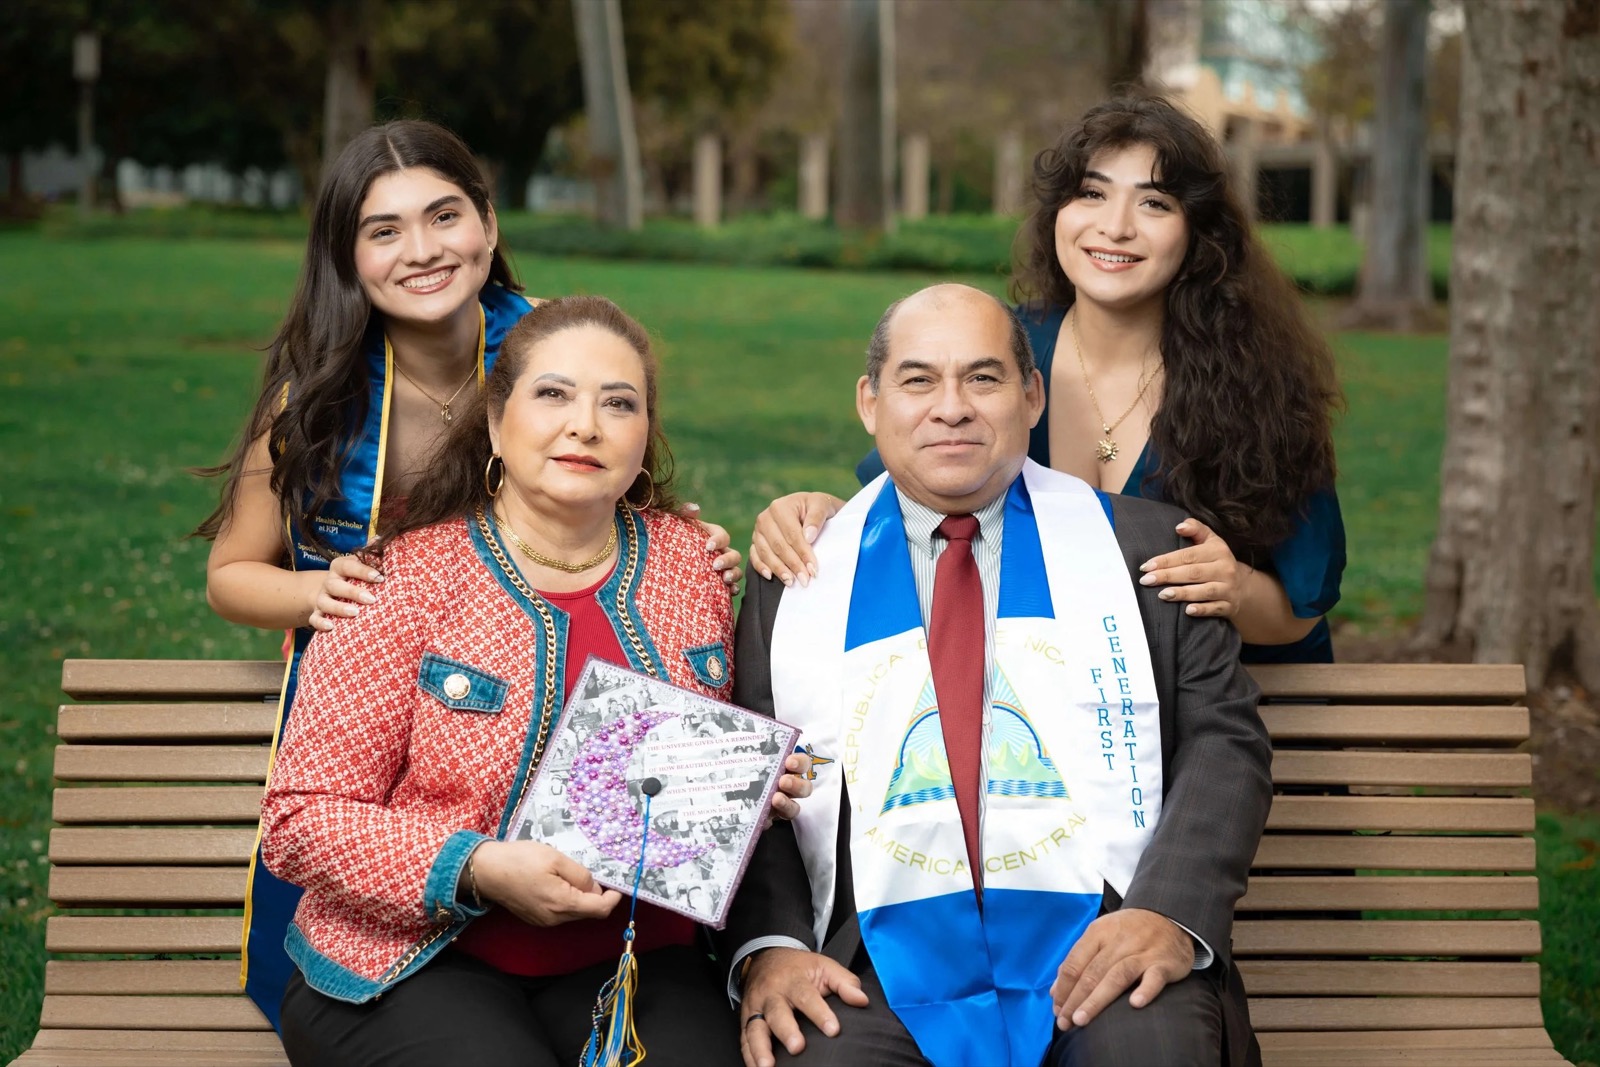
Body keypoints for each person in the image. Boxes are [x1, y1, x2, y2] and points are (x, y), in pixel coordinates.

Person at [192, 120, 740, 1027]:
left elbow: (614, 480)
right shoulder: (319, 399)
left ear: (487, 223)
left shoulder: (554, 349)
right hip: (373, 701)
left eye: (444, 216)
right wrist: (323, 591)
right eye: (384, 230)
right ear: (346, 255)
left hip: (535, 709)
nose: (422, 250)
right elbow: (230, 575)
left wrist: (684, 543)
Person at [722, 284, 1272, 1067]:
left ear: (1032, 396)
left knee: (1151, 1049)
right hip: (875, 951)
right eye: (918, 380)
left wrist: (1167, 913)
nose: (952, 408)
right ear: (870, 403)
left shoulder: (1146, 552)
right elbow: (761, 780)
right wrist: (772, 946)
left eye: (982, 378)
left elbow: (1225, 741)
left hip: (1104, 934)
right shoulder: (803, 574)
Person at [259, 295, 754, 1067]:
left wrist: (752, 783)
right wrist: (477, 866)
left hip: (635, 957)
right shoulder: (401, 578)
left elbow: (705, 772)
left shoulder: (694, 567)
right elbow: (298, 818)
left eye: (618, 403)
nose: (585, 425)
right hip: (415, 959)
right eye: (553, 394)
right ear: (496, 421)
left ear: (644, 436)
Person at [749, 93, 1344, 664]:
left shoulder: (1259, 384)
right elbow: (907, 502)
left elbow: (1301, 610)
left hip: (1245, 702)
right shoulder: (996, 356)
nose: (1115, 227)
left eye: (1154, 203)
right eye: (1092, 193)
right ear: (1059, 212)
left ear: (1197, 232)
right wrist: (817, 517)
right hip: (1049, 701)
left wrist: (1234, 587)